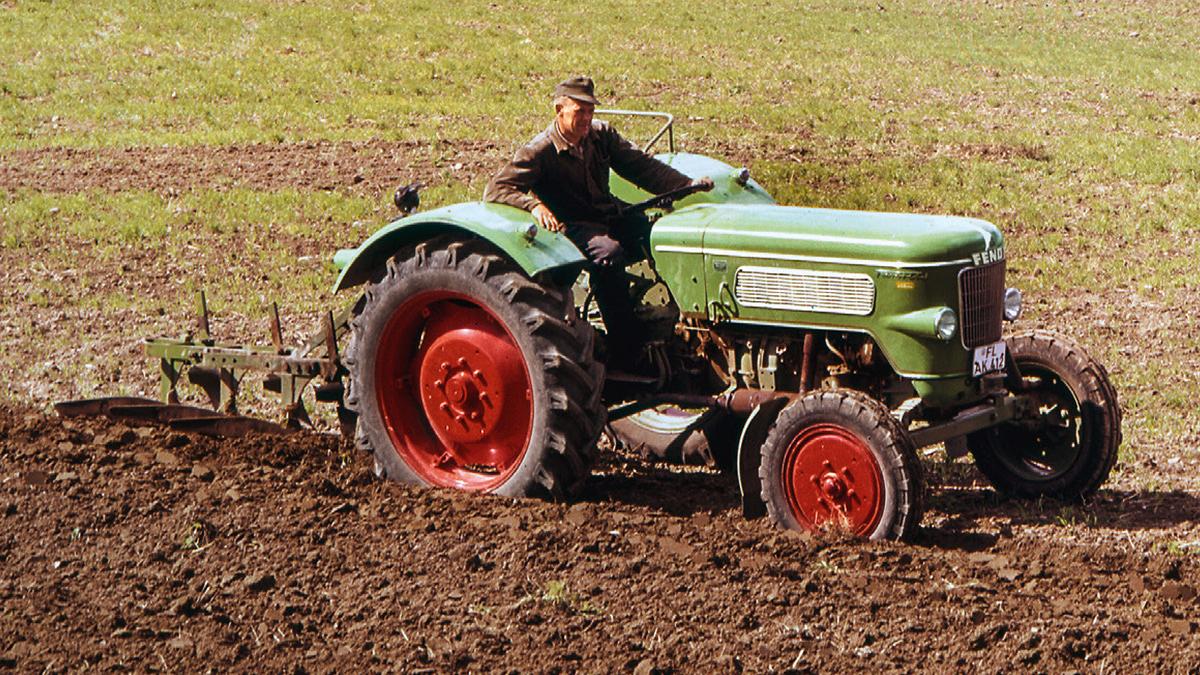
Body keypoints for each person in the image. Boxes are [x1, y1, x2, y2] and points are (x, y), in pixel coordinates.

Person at [484, 75, 712, 372]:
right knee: (609, 255)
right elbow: (497, 189)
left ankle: (683, 322)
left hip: (609, 215)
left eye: (591, 111)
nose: (587, 119)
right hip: (574, 227)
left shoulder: (600, 135)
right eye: (580, 111)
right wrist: (534, 205)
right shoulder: (539, 152)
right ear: (560, 110)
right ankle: (626, 350)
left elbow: (640, 166)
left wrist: (685, 185)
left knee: (660, 235)